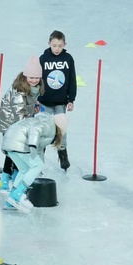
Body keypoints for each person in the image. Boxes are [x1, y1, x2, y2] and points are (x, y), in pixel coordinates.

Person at [2, 113, 68, 212]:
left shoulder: (44, 121)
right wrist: (32, 145)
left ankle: (11, 199)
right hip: (19, 142)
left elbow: (40, 149)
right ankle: (19, 194)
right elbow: (36, 129)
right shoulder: (49, 125)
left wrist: (38, 161)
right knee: (37, 166)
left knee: (25, 169)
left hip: (10, 141)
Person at [0, 56, 43, 184]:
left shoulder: (36, 88)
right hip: (9, 123)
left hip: (20, 123)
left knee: (19, 150)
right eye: (31, 77)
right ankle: (5, 178)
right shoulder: (19, 90)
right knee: (13, 151)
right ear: (26, 76)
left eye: (37, 78)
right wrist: (28, 129)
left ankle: (17, 175)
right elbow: (18, 112)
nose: (34, 80)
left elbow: (28, 106)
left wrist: (34, 110)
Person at [38, 30, 76, 170]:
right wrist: (36, 98)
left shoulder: (68, 59)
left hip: (61, 102)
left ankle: (63, 154)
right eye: (54, 45)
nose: (57, 49)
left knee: (62, 128)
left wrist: (71, 99)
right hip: (44, 101)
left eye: (60, 46)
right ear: (49, 44)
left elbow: (72, 79)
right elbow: (38, 79)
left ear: (64, 44)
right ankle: (40, 153)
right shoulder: (43, 58)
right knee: (43, 128)